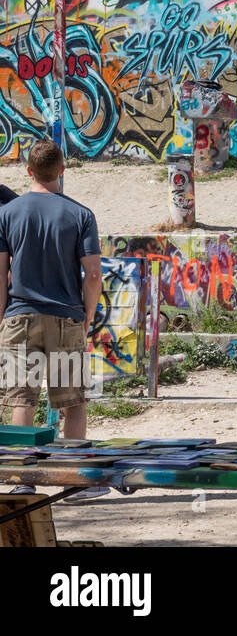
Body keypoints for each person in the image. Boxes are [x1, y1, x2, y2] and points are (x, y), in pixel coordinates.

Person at [0, 142, 102, 461]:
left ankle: (23, 478)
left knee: (22, 402)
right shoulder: (81, 214)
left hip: (19, 318)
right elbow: (94, 274)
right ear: (62, 170)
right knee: (73, 402)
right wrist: (86, 315)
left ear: (28, 171)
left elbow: (1, 273)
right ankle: (73, 479)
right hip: (65, 317)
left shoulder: (6, 213)